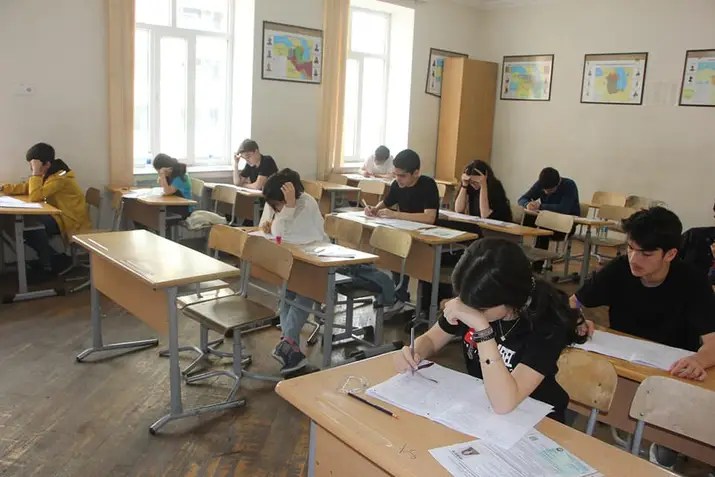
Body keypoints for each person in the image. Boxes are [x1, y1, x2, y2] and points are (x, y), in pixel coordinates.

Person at [572, 207, 715, 470]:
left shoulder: (693, 283)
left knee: (669, 439)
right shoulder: (619, 269)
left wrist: (698, 361)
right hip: (621, 361)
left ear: (670, 254)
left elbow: (713, 344)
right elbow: (572, 303)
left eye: (646, 254)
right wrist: (576, 320)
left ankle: (666, 448)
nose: (634, 259)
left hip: (671, 374)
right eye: (630, 248)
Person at [394, 238, 586, 423]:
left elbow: (505, 402)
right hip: (484, 412)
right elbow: (432, 339)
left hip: (536, 420)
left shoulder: (547, 325)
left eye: (481, 310)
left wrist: (482, 329)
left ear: (511, 299)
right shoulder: (476, 299)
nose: (471, 311)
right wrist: (415, 352)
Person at [261, 169, 397, 373]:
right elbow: (274, 230)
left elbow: (280, 231)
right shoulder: (283, 205)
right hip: (300, 259)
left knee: (305, 292)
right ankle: (289, 345)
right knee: (287, 293)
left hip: (321, 261)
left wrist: (288, 207)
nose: (277, 209)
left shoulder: (306, 203)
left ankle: (288, 343)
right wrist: (284, 209)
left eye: (278, 204)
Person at [1, 143, 91, 277]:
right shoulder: (50, 174)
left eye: (34, 166)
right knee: (24, 224)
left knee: (33, 228)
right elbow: (27, 187)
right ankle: (52, 258)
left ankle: (49, 263)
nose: (31, 169)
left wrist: (35, 173)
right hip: (59, 215)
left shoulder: (61, 177)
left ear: (47, 164)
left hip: (70, 219)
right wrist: (4, 188)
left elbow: (35, 196)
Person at [364, 149, 440, 304]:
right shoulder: (397, 184)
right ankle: (399, 294)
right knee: (394, 253)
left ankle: (422, 305)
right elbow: (387, 201)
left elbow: (429, 218)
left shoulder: (428, 185)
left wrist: (396, 214)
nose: (398, 179)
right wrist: (375, 209)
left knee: (422, 266)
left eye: (402, 176)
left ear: (416, 173)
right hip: (405, 232)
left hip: (426, 235)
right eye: (395, 174)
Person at [518, 167, 580, 254]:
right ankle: (517, 252)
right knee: (521, 219)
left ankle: (538, 260)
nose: (546, 192)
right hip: (546, 219)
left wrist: (540, 206)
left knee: (542, 225)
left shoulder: (569, 185)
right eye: (544, 189)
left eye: (550, 190)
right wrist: (527, 204)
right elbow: (522, 199)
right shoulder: (542, 183)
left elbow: (563, 209)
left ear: (558, 183)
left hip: (565, 225)